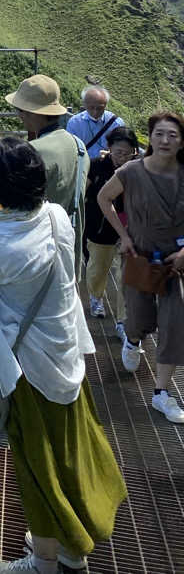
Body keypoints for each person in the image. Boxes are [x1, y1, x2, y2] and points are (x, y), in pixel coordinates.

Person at [0, 137, 126, 573]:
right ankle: (65, 542)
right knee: (68, 452)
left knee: (36, 462)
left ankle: (49, 561)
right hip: (64, 352)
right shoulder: (55, 216)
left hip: (30, 369)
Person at [97, 111, 184, 423]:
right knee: (138, 319)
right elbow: (103, 198)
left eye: (172, 135)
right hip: (140, 258)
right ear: (151, 137)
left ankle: (161, 393)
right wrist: (124, 237)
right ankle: (132, 340)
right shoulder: (132, 171)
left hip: (177, 263)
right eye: (160, 133)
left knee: (175, 325)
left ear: (181, 141)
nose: (165, 140)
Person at [0, 75, 89, 276]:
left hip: (41, 252)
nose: (19, 115)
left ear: (32, 113)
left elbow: (11, 199)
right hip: (70, 246)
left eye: (20, 110)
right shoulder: (78, 146)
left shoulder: (34, 151)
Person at [84, 126, 139, 334]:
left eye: (127, 153)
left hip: (130, 232)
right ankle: (96, 296)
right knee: (98, 269)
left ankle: (123, 322)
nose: (122, 157)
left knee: (126, 277)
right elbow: (84, 193)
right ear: (109, 148)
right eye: (118, 152)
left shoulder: (136, 169)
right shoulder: (97, 166)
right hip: (100, 229)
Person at [66, 87, 125, 159]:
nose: (95, 112)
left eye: (100, 108)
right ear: (84, 104)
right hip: (85, 165)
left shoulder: (116, 123)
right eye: (91, 107)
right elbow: (70, 149)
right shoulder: (74, 123)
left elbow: (123, 147)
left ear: (105, 105)